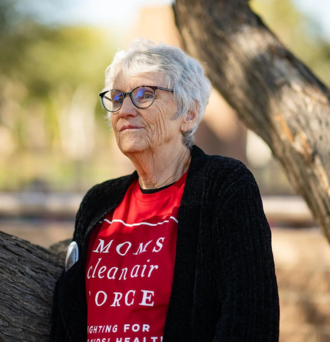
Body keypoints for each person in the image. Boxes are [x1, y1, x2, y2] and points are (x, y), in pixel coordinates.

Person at [50, 39, 279, 342]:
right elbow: (68, 318)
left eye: (145, 95)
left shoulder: (223, 184)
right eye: (117, 97)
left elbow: (249, 315)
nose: (125, 110)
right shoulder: (98, 202)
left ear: (189, 114)